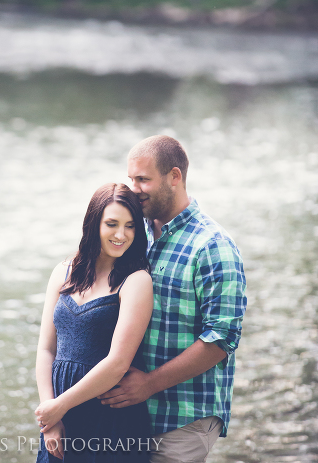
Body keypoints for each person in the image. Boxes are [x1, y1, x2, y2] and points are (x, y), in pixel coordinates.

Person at [98, 135, 247, 463]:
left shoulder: (213, 246)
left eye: (143, 179)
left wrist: (149, 384)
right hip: (132, 412)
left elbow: (222, 339)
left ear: (174, 177)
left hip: (185, 415)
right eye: (130, 178)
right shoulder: (135, 234)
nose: (133, 188)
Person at [34, 182, 154, 461]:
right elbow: (45, 350)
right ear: (93, 224)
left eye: (130, 226)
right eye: (111, 223)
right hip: (59, 418)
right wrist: (49, 416)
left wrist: (59, 407)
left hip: (109, 420)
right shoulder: (63, 272)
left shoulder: (136, 281)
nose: (121, 234)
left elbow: (117, 363)